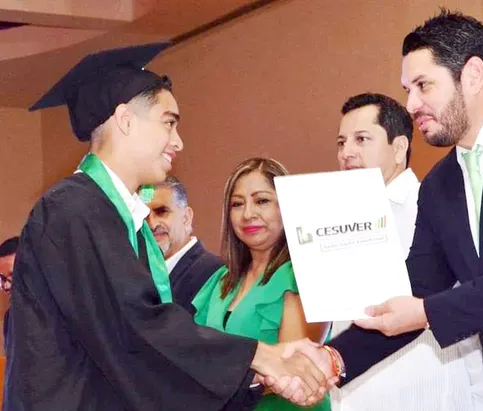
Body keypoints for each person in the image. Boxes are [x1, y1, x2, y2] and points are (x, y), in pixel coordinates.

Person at [281, 9, 483, 411]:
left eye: (423, 85)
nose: (411, 104)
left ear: (473, 75)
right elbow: (414, 290)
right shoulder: (439, 185)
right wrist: (332, 359)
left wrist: (427, 312)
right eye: (407, 89)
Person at [4, 42, 330, 411]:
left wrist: (258, 369)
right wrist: (260, 356)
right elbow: (135, 326)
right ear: (126, 120)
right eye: (168, 123)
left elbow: (145, 354)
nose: (178, 142)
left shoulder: (123, 222)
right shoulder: (72, 209)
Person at [332, 92, 481, 410]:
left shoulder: (434, 207)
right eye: (341, 142)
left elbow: (468, 309)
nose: (347, 152)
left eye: (361, 139)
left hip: (428, 393)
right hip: (355, 394)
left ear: (399, 147)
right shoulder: (334, 220)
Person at [192, 157, 332, 411]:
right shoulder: (221, 279)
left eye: (262, 201)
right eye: (237, 204)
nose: (248, 214)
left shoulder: (303, 275)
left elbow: (294, 371)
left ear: (286, 206)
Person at [142, 175, 222, 314]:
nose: (152, 225)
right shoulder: (135, 273)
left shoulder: (216, 273)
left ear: (186, 217)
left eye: (162, 212)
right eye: (143, 216)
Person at [0, 236, 18, 353]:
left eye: (12, 276)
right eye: (2, 278)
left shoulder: (57, 315)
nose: (6, 286)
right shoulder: (9, 318)